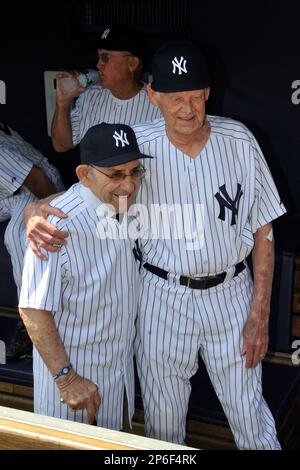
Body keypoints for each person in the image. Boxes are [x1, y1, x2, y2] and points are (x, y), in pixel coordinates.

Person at [24, 40, 286, 449]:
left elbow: (263, 228)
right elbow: (92, 186)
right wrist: (35, 208)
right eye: (176, 98)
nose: (187, 109)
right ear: (153, 95)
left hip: (232, 294)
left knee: (250, 414)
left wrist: (260, 310)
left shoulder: (239, 140)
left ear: (208, 94)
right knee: (163, 426)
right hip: (162, 296)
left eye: (196, 97)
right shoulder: (136, 147)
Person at [18, 123, 149, 429]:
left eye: (134, 172)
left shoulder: (123, 203)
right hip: (74, 384)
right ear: (84, 174)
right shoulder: (54, 225)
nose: (128, 185)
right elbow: (32, 309)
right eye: (115, 174)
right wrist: (66, 378)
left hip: (117, 375)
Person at [0, 122, 65, 361]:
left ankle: (33, 324)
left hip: (32, 189)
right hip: (6, 192)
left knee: (19, 237)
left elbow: (36, 177)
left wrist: (50, 211)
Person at [52, 25, 161, 152]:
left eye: (106, 57)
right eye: (98, 57)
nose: (98, 64)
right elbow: (61, 146)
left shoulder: (157, 105)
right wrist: (63, 104)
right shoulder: (90, 96)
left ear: (132, 63)